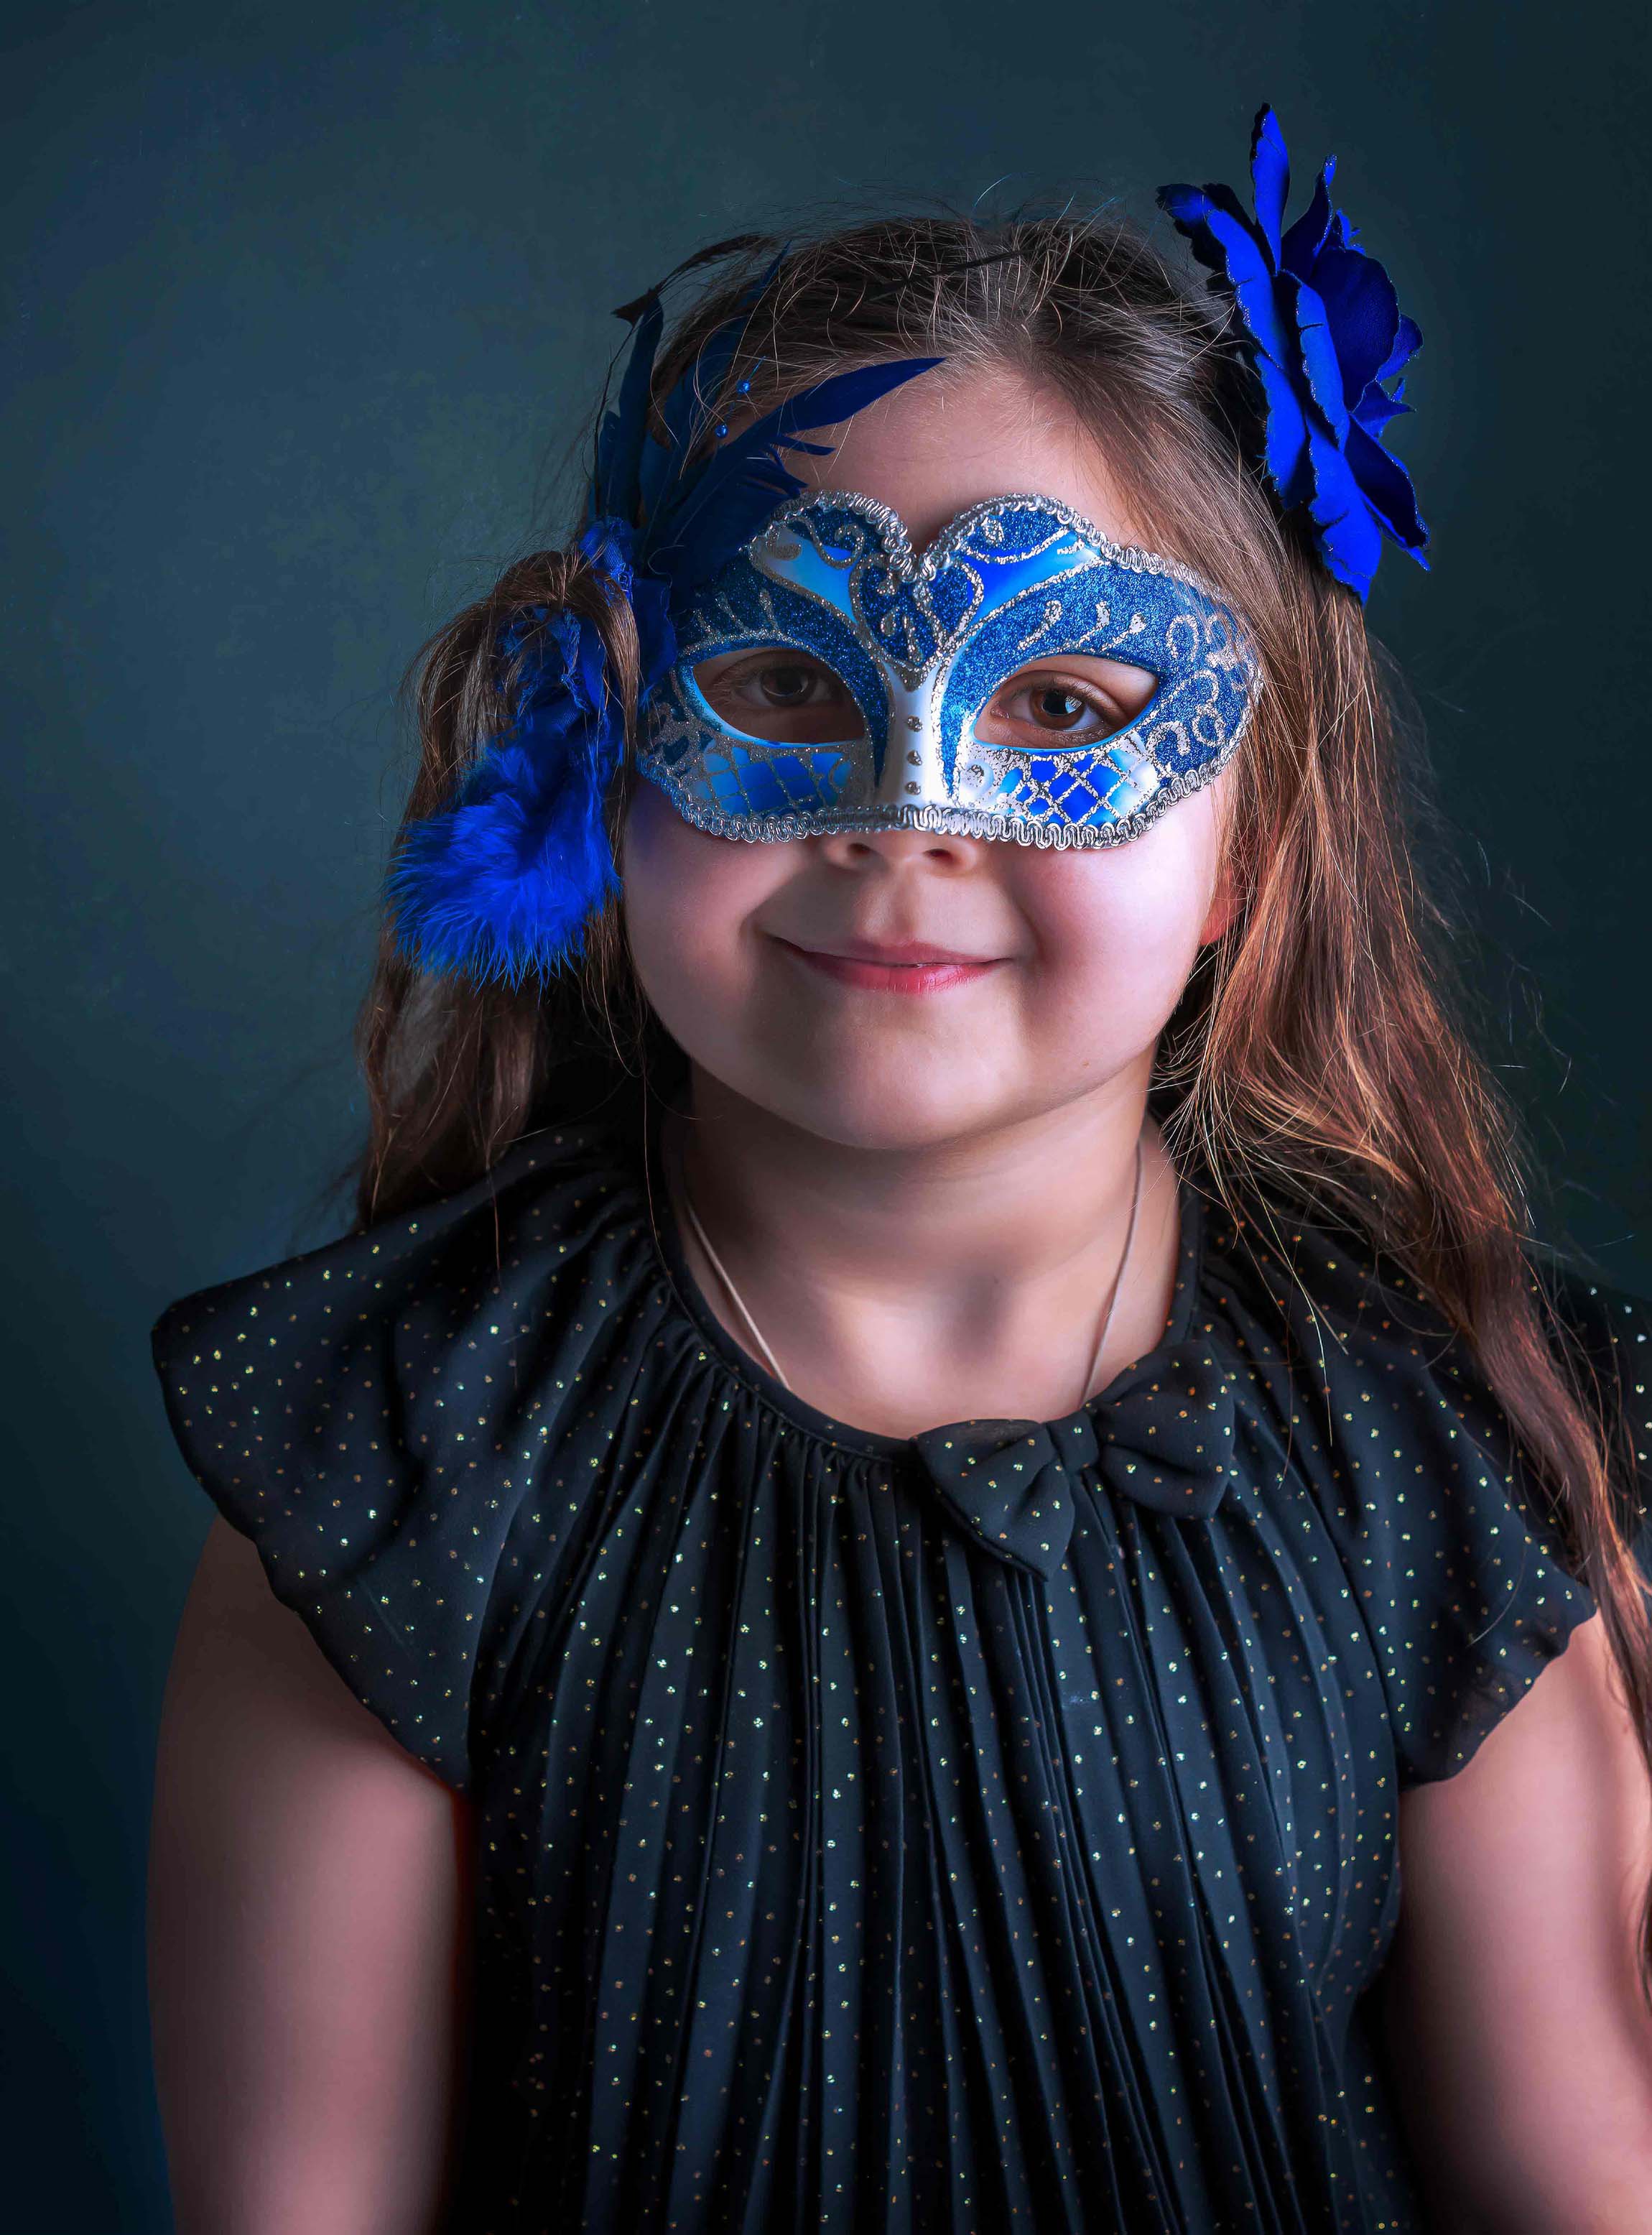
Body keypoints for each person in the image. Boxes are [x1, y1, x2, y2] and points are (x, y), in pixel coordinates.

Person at [148, 109, 1652, 2235]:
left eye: (1061, 698)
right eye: (776, 679)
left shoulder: (1433, 1448)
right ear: (604, 744)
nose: (908, 816)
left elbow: (1580, 2184)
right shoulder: (396, 1467)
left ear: (1253, 844)